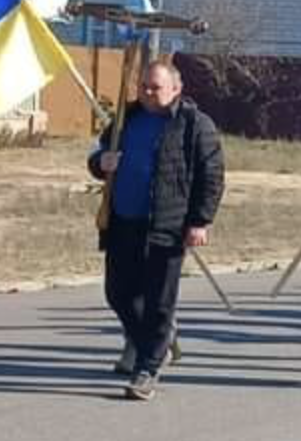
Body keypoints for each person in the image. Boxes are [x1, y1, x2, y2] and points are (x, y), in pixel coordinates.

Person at [88, 59, 224, 401]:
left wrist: (200, 221)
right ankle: (151, 341)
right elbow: (99, 154)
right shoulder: (125, 118)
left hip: (168, 224)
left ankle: (147, 367)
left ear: (176, 89)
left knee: (159, 302)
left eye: (156, 87)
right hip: (122, 221)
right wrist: (100, 163)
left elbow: (212, 176)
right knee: (118, 293)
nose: (148, 93)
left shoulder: (195, 124)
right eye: (144, 86)